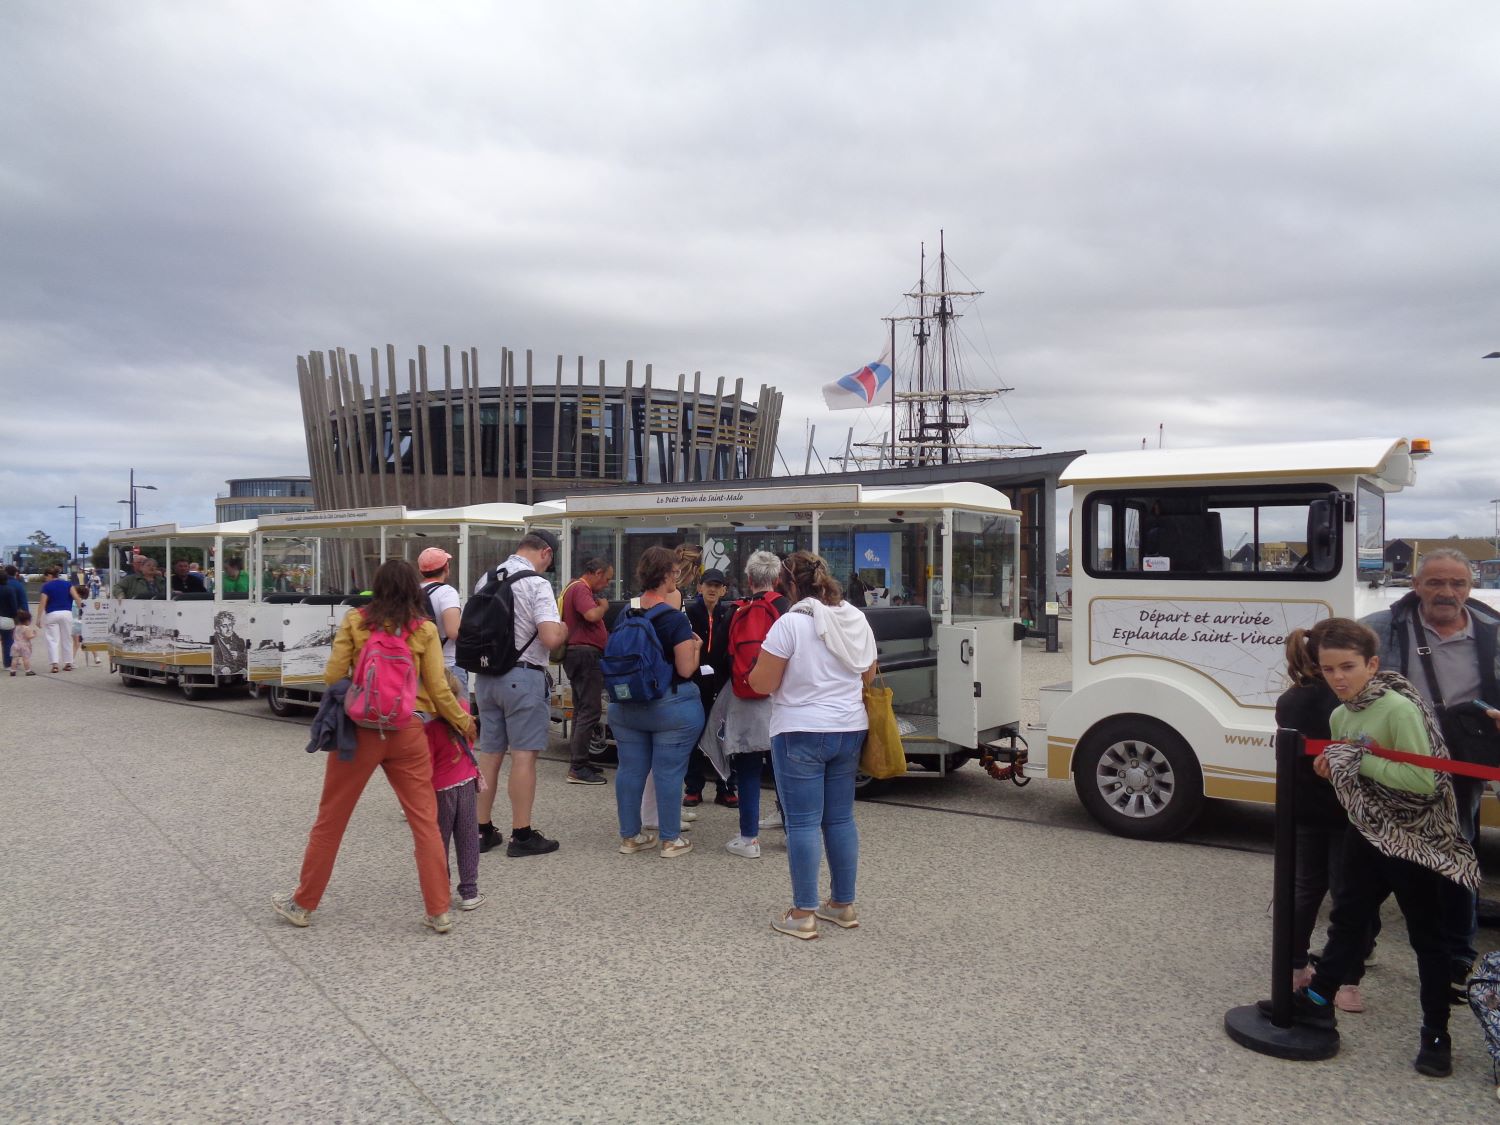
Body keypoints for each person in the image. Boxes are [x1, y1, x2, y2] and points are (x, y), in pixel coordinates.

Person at [1273, 617, 1479, 1079]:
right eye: (1328, 669)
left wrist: (1355, 761)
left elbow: (1424, 778)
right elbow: (1356, 772)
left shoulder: (1397, 709)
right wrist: (1336, 767)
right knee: (1347, 921)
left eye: (1347, 667)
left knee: (1427, 938)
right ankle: (1319, 1002)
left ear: (1372, 664)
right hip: (1367, 833)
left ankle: (1436, 1034)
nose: (1338, 678)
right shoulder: (1341, 715)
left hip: (1415, 839)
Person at [272, 558, 475, 934]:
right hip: (409, 732)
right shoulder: (425, 629)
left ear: (376, 587)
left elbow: (333, 674)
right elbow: (438, 687)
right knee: (424, 822)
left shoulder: (355, 621)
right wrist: (464, 721)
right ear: (414, 589)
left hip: (359, 732)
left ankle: (302, 903)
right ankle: (438, 910)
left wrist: (363, 690)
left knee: (331, 819)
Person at [1362, 547, 1500, 993]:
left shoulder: (1493, 634)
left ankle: (1458, 959)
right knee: (1380, 856)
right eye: (1435, 582)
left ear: (1470, 587)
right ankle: (1357, 947)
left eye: (1457, 583)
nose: (1446, 592)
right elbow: (1333, 672)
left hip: (1460, 765)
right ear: (1416, 584)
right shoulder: (1381, 630)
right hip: (1395, 763)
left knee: (1456, 857)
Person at [747, 551, 877, 940]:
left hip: (800, 730)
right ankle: (842, 905)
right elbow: (869, 674)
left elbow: (762, 683)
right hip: (849, 728)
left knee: (803, 822)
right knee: (840, 819)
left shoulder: (790, 624)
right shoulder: (856, 618)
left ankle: (802, 913)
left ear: (787, 584)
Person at [1276, 629, 1374, 1012]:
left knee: (1304, 890)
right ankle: (1349, 982)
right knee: (1350, 896)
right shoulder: (1353, 701)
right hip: (1350, 811)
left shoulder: (1290, 701)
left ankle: (1295, 966)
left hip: (1305, 809)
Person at [471, 530, 567, 857]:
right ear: (546, 553)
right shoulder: (536, 583)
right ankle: (521, 835)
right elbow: (551, 638)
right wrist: (564, 628)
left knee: (490, 755)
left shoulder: (486, 578)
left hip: (486, 679)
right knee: (524, 756)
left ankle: (482, 830)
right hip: (522, 677)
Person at [610, 546, 703, 857]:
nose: (677, 576)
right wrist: (696, 647)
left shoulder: (627, 612)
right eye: (674, 572)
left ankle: (630, 837)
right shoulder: (674, 619)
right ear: (666, 575)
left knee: (630, 769)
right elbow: (686, 668)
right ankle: (670, 839)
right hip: (669, 708)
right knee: (668, 771)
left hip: (626, 706)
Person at [717, 551, 790, 859]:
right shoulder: (788, 609)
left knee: (747, 768)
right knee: (784, 770)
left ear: (748, 580)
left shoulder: (736, 610)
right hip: (781, 702)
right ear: (777, 580)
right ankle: (791, 832)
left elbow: (719, 654)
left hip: (746, 699)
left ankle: (749, 839)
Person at [428, 668, 485, 912]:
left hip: (440, 789)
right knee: (468, 838)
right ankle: (469, 892)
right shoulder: (465, 711)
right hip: (466, 783)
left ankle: (441, 890)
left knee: (438, 842)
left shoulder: (428, 727)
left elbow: (425, 765)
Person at [684, 567, 736, 807]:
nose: (712, 589)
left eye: (717, 585)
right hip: (696, 681)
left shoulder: (730, 614)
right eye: (708, 585)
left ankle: (726, 787)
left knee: (725, 736)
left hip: (723, 683)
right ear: (700, 587)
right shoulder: (690, 613)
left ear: (724, 589)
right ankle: (693, 788)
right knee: (695, 735)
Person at [560, 557, 614, 785]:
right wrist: (602, 607)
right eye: (607, 579)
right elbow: (591, 615)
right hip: (585, 655)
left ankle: (579, 759)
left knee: (582, 709)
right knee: (590, 710)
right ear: (597, 572)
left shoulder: (574, 588)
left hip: (578, 654)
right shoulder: (581, 588)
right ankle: (578, 766)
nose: (607, 584)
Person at [417, 547, 465, 692]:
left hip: (420, 666)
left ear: (421, 571)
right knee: (458, 712)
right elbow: (453, 632)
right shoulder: (447, 592)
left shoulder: (413, 592)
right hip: (447, 666)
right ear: (446, 567)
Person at [38, 566, 75, 673]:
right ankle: (68, 663)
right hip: (67, 613)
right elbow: (76, 597)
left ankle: (55, 665)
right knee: (67, 638)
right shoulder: (68, 584)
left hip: (52, 614)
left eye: (45, 577)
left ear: (49, 575)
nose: (45, 579)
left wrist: (39, 618)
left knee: (52, 640)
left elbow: (43, 602)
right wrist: (81, 609)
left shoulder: (46, 586)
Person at [70, 582, 100, 667]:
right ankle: (96, 657)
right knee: (90, 640)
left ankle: (71, 660)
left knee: (75, 643)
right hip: (83, 624)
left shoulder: (72, 602)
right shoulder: (85, 602)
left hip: (73, 623)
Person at [0, 567, 21, 673]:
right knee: (7, 641)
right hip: (7, 618)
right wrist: (15, 616)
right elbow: (14, 605)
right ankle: (7, 664)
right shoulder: (9, 589)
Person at [9, 610, 37, 675]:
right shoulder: (26, 628)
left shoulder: (16, 627)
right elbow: (28, 636)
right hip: (24, 645)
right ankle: (28, 671)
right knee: (25, 658)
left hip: (15, 644)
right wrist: (34, 635)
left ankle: (12, 671)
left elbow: (13, 637)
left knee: (15, 658)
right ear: (27, 621)